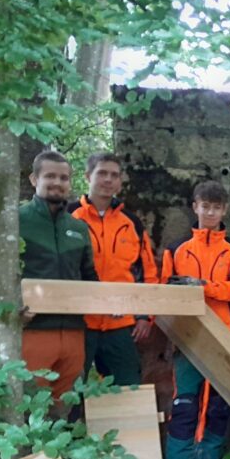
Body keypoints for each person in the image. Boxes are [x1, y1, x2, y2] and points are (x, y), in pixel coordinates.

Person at [160, 180, 230, 459]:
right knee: (184, 407)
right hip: (186, 338)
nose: (210, 212)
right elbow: (164, 289)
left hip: (222, 338)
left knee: (216, 410)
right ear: (195, 207)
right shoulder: (176, 248)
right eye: (205, 206)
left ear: (224, 210)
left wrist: (202, 286)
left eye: (216, 207)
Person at [68, 152, 158, 387]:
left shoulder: (131, 222)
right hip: (79, 321)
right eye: (102, 173)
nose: (108, 180)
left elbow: (147, 271)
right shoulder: (69, 217)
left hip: (121, 323)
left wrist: (144, 316)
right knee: (70, 389)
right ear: (88, 176)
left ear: (120, 181)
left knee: (129, 388)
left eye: (114, 175)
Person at [19, 150, 97, 401]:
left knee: (65, 406)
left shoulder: (78, 228)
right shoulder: (15, 221)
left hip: (74, 332)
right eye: (50, 176)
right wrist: (12, 309)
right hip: (32, 331)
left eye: (64, 178)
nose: (57, 183)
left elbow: (89, 277)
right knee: (30, 405)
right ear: (34, 179)